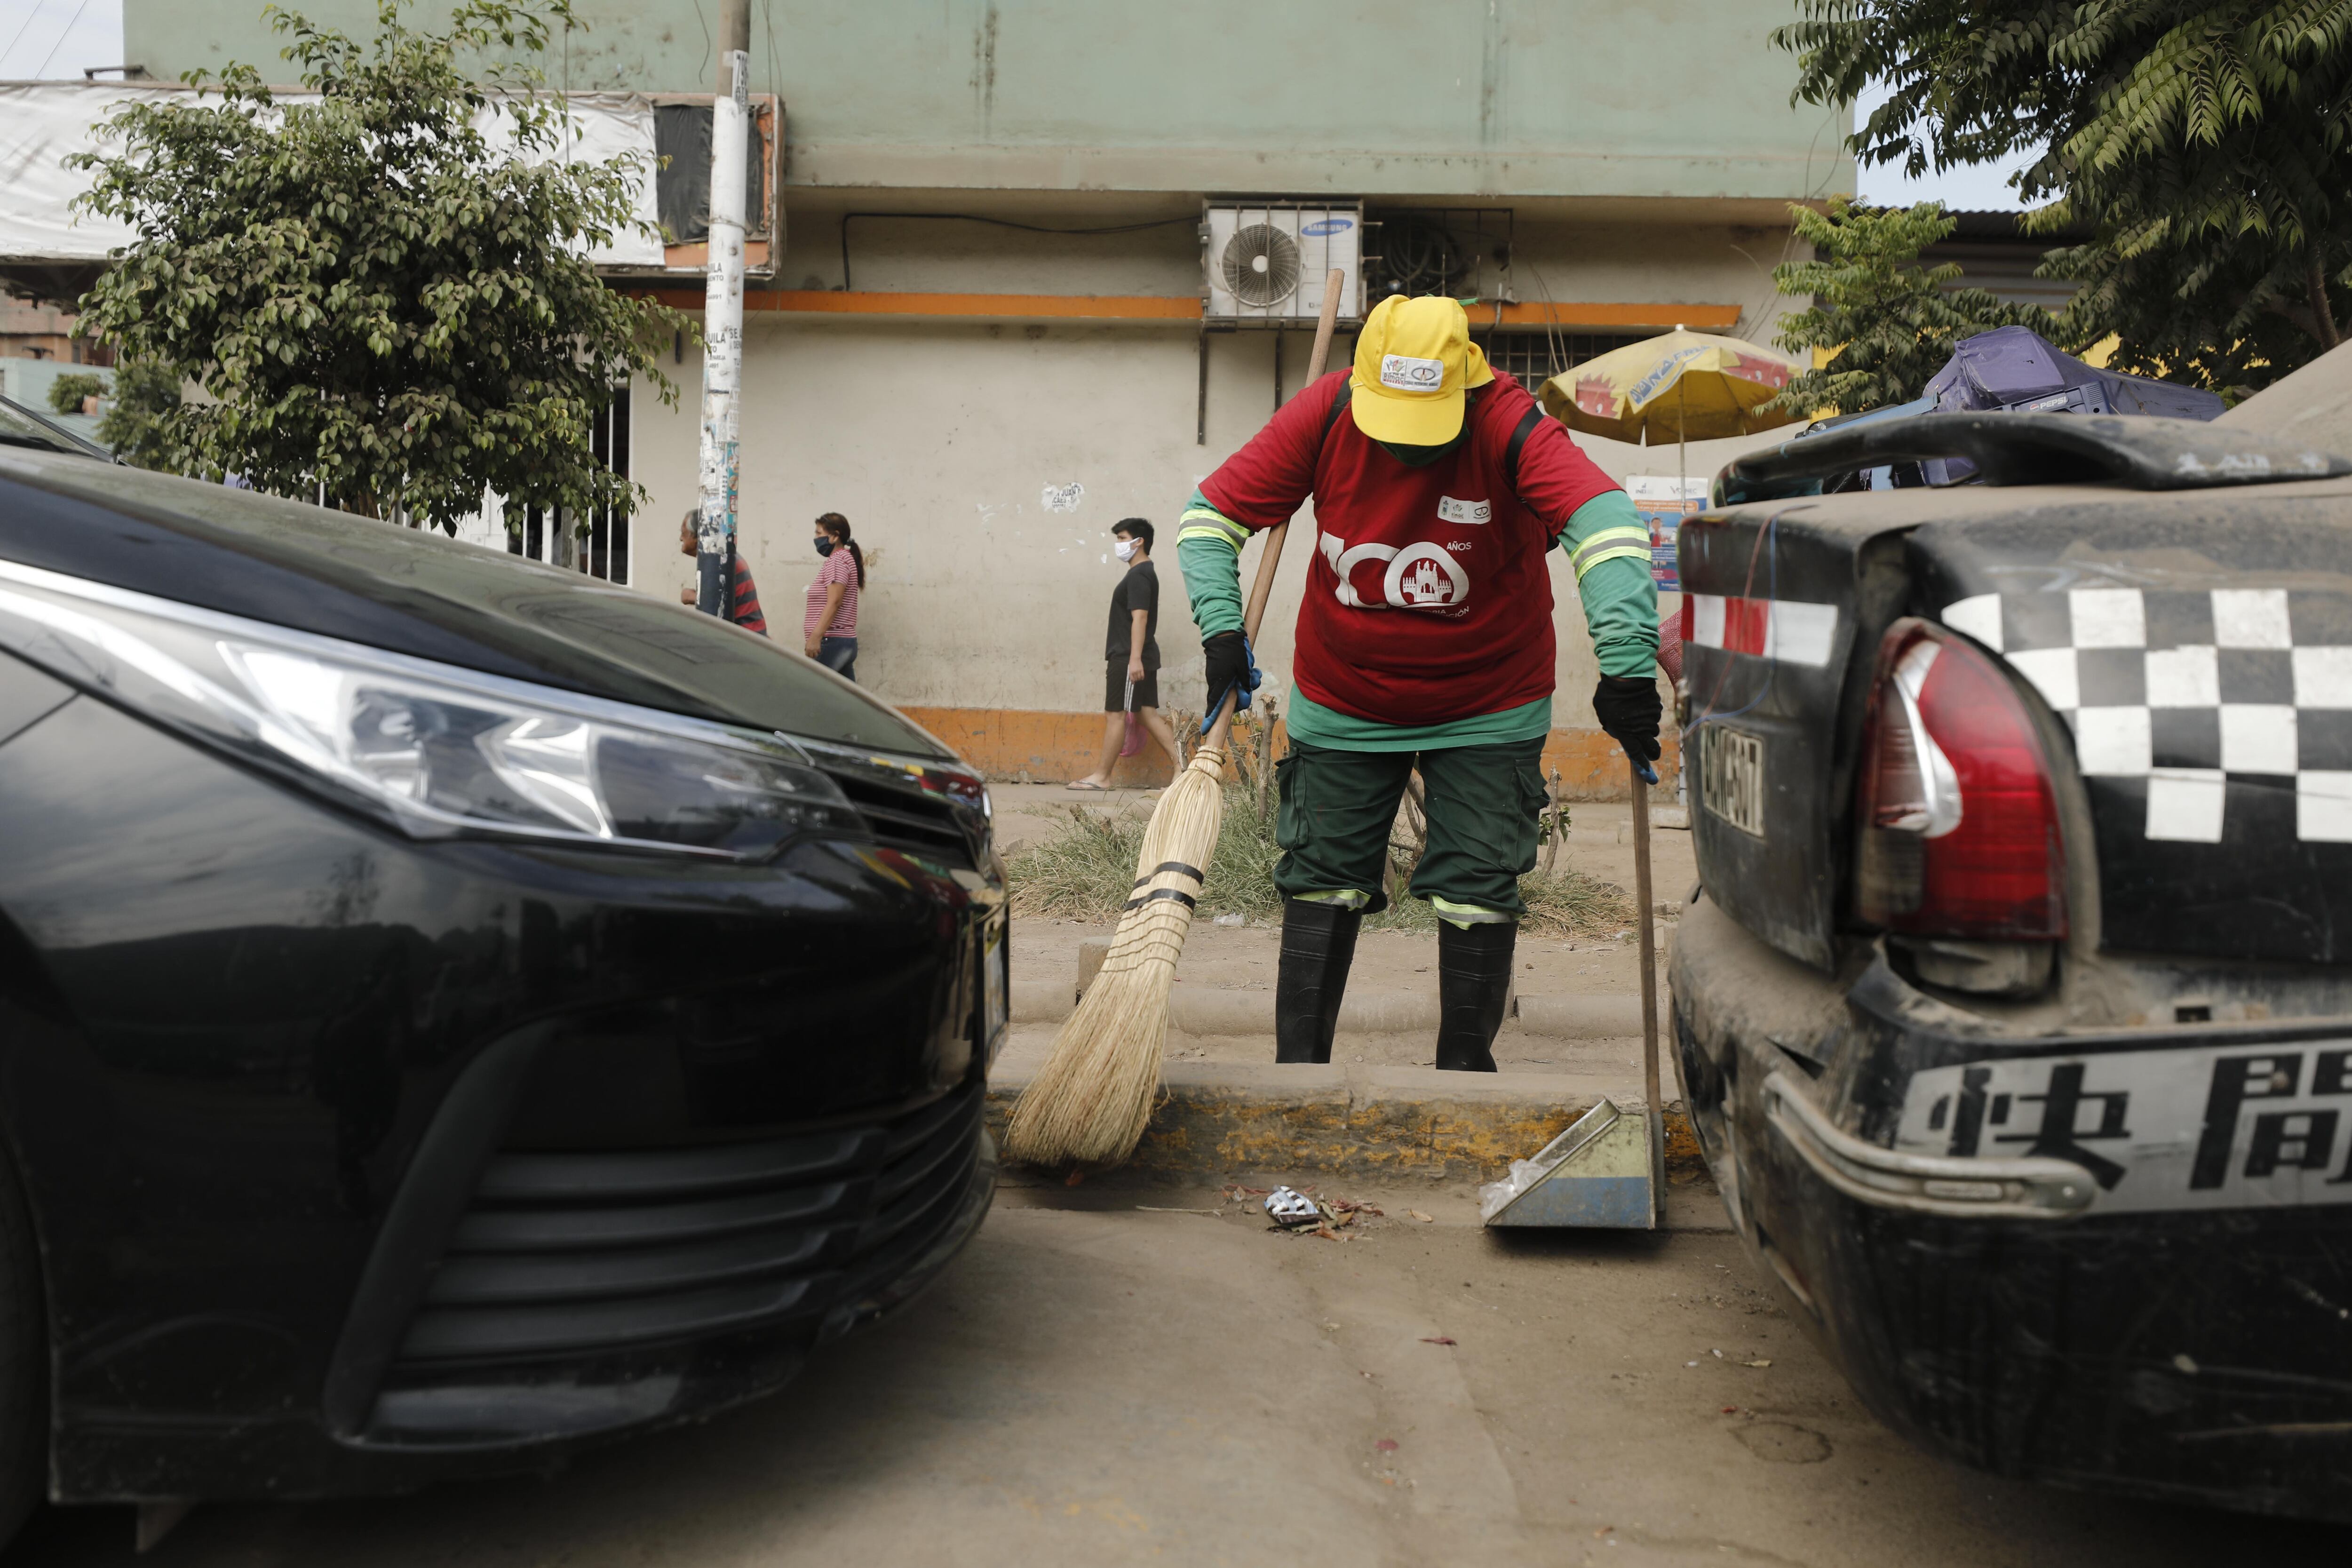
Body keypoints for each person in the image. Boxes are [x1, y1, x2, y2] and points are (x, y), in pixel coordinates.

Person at [1177, 295, 1661, 1071]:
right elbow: (1209, 519)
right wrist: (1220, 632)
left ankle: (1464, 1069)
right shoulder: (1325, 411)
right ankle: (1299, 1071)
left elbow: (1604, 522)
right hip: (1345, 694)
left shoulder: (1508, 420)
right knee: (1322, 879)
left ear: (1462, 382)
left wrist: (1627, 665)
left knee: (1479, 879)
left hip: (1489, 699)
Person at [1069, 518, 1185, 790]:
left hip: (1129, 658)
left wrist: (1134, 659)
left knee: (1116, 714)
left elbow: (1140, 618)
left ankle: (1102, 777)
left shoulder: (1140, 575)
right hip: (1135, 656)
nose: (1118, 545)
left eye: (1122, 538)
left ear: (1139, 541)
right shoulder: (1142, 573)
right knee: (1146, 714)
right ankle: (1183, 767)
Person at [677, 510, 766, 635]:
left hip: (747, 639)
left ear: (698, 537)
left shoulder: (719, 562)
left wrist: (690, 596)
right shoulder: (723, 557)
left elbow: (714, 603)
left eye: (684, 533)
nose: (681, 538)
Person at [803, 511, 863, 678]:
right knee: (846, 701)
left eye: (819, 533)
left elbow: (835, 602)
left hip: (831, 641)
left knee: (812, 693)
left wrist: (816, 637)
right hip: (841, 642)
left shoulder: (837, 561)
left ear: (835, 536)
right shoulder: (844, 559)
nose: (816, 538)